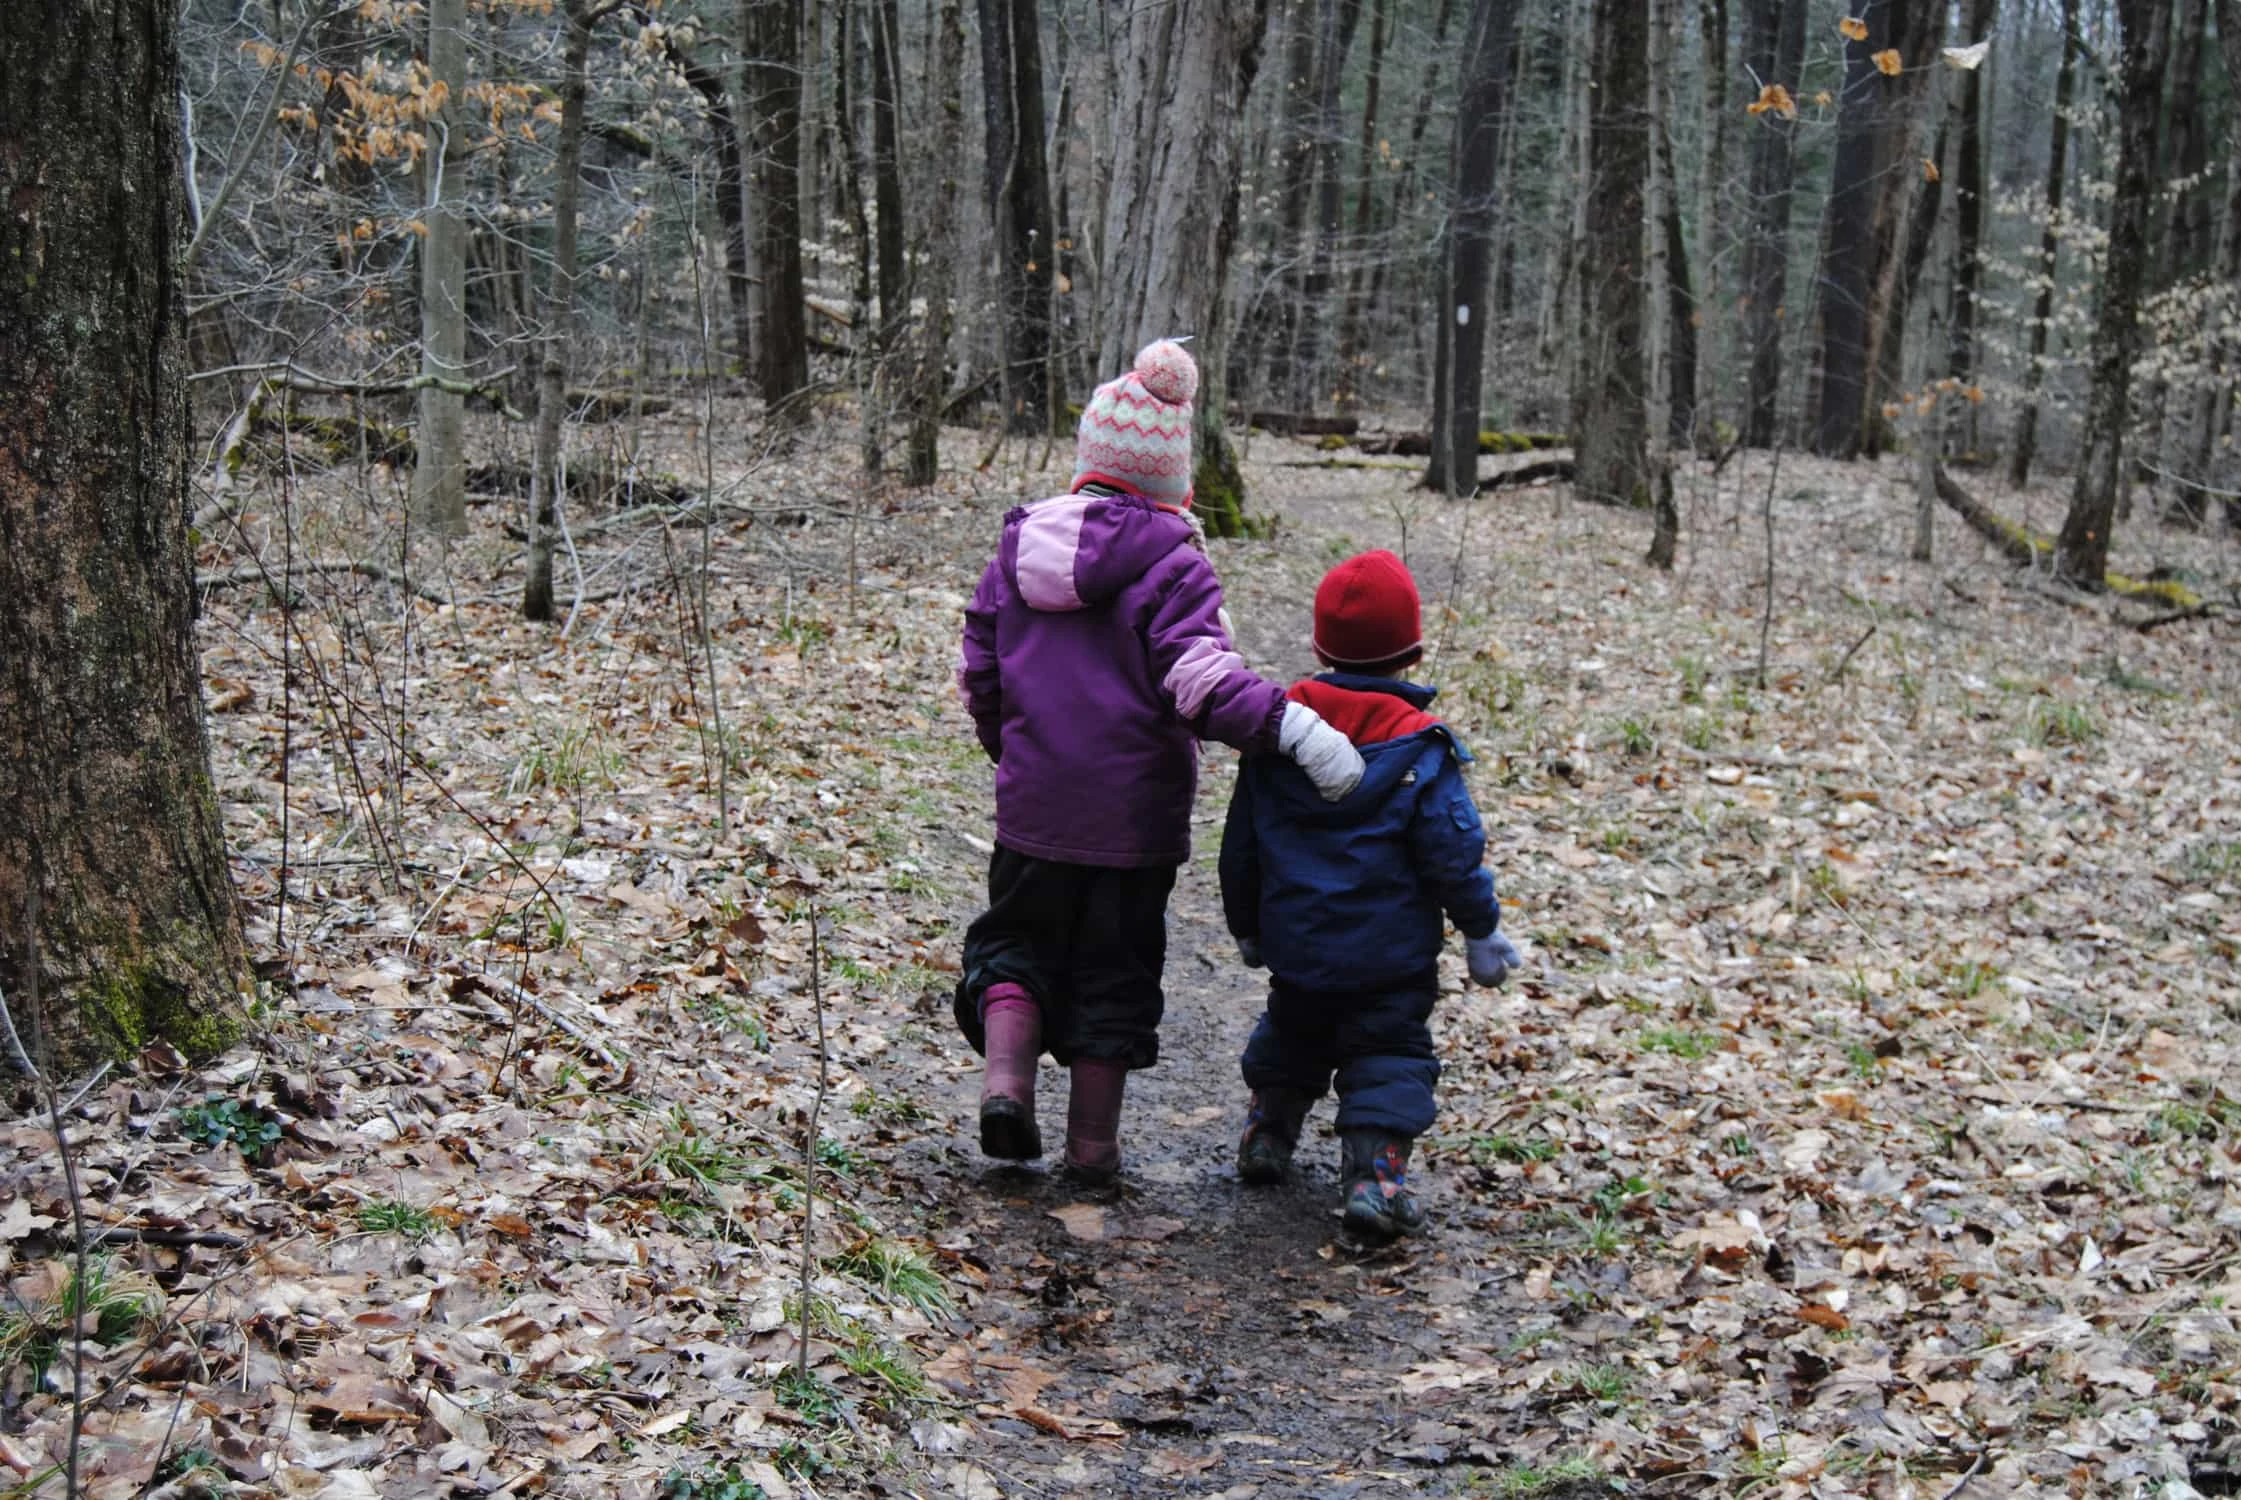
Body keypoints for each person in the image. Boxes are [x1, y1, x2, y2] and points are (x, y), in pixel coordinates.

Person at [953, 339, 1366, 1182]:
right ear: (1169, 477)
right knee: (1114, 973)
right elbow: (1201, 683)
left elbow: (981, 668)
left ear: (1089, 460)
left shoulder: (1017, 547)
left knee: (1013, 950)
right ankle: (1092, 1151)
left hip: (1031, 811)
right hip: (1131, 826)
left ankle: (1006, 1089)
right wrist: (1296, 730)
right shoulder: (1173, 563)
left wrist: (1012, 753)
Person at [1219, 549, 1522, 1238]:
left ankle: (1267, 1133)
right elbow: (1452, 852)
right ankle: (1375, 1177)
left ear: (1319, 647)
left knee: (1293, 1029)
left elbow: (1241, 842)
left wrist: (1247, 924)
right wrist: (1480, 927)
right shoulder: (1421, 748)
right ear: (1411, 655)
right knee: (1388, 1051)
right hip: (1390, 957)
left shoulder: (1277, 738)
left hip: (1297, 942)